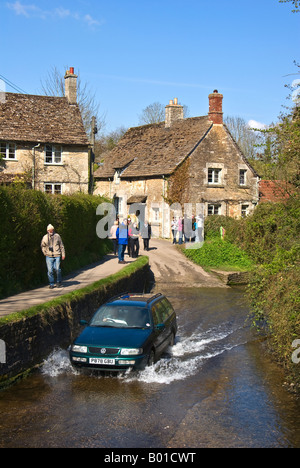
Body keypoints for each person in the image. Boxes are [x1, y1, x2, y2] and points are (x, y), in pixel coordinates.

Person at [41, 224, 65, 289]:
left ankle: (58, 282)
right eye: (49, 230)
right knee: (50, 271)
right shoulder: (45, 237)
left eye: (52, 230)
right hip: (48, 256)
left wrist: (63, 254)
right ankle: (51, 283)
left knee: (57, 269)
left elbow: (61, 246)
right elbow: (42, 246)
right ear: (47, 230)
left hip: (57, 255)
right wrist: (44, 253)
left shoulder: (57, 236)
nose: (51, 231)